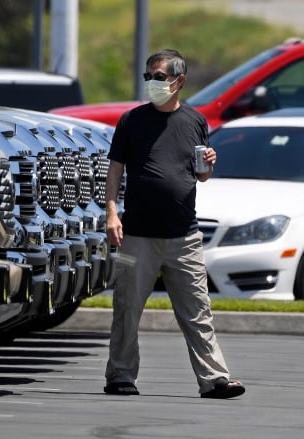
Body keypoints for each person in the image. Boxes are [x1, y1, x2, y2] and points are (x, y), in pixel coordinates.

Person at [102, 49, 245, 399]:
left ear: (179, 81)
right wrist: (110, 212)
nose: (152, 83)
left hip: (184, 237)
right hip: (136, 236)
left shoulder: (195, 121)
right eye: (148, 77)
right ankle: (120, 376)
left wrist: (209, 163)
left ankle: (214, 380)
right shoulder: (132, 121)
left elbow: (201, 175)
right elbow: (116, 168)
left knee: (197, 310)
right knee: (126, 308)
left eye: (159, 78)